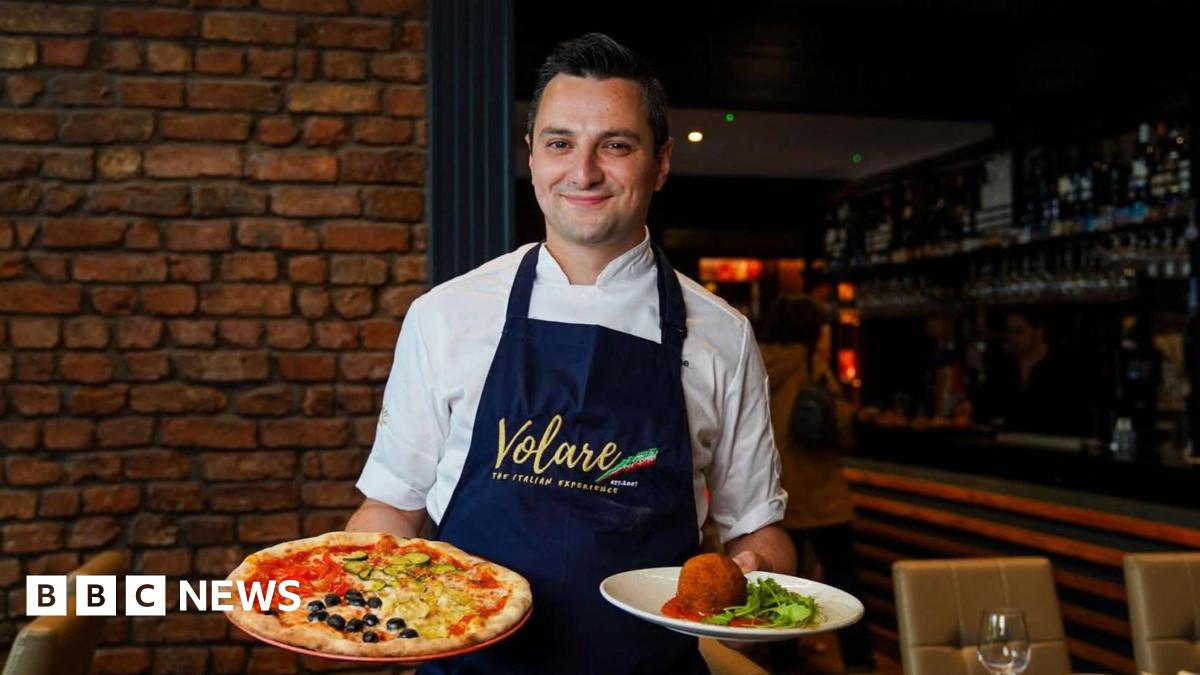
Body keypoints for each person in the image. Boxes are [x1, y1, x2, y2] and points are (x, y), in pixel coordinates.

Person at [345, 33, 794, 675]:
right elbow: (391, 508)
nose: (582, 172)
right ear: (531, 157)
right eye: (560, 143)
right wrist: (353, 597)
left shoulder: (722, 334)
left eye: (615, 145)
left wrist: (755, 576)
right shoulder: (445, 315)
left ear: (661, 163)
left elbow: (758, 531)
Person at [758, 295, 874, 673]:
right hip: (820, 493)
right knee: (844, 581)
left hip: (775, 493)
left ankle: (782, 661)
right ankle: (859, 663)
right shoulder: (810, 364)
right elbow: (840, 424)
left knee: (781, 584)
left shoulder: (754, 361)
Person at [982, 309, 1087, 435]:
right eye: (1009, 331)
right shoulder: (1003, 366)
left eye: (1019, 331)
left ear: (1039, 332)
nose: (1012, 337)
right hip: (1010, 444)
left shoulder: (1063, 366)